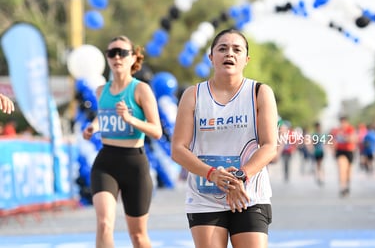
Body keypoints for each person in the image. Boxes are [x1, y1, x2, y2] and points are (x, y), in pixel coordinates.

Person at [171, 29, 278, 248]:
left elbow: (269, 146)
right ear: (211, 57)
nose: (229, 53)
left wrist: (240, 177)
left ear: (246, 59)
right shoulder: (193, 95)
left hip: (249, 195)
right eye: (222, 48)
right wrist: (212, 174)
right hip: (205, 196)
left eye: (237, 49)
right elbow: (178, 149)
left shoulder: (259, 92)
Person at [82, 35, 162, 248]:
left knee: (137, 236)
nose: (117, 57)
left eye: (122, 52)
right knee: (104, 223)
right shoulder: (102, 91)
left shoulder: (141, 89)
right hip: (106, 162)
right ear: (107, 58)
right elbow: (104, 115)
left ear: (133, 57)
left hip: (134, 163)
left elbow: (157, 131)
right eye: (112, 53)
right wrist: (94, 127)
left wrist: (130, 119)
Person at [330, 115, 357, 197]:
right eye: (341, 122)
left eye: (344, 122)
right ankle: (342, 187)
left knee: (348, 171)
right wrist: (333, 150)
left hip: (349, 151)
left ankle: (347, 184)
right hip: (340, 151)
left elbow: (354, 139)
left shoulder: (350, 129)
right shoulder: (336, 131)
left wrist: (345, 138)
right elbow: (333, 141)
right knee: (342, 168)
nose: (342, 124)